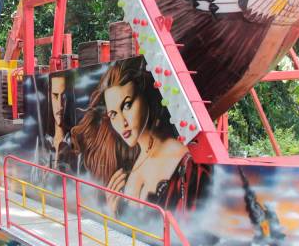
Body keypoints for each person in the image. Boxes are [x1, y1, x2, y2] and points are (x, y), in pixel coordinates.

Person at [71, 57, 209, 216]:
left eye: (127, 105)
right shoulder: (129, 163)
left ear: (144, 96)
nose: (122, 122)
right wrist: (113, 210)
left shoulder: (182, 159)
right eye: (113, 114)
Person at [44, 72, 76, 173]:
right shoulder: (44, 141)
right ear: (49, 96)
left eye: (64, 97)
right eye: (55, 96)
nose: (60, 106)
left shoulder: (76, 142)